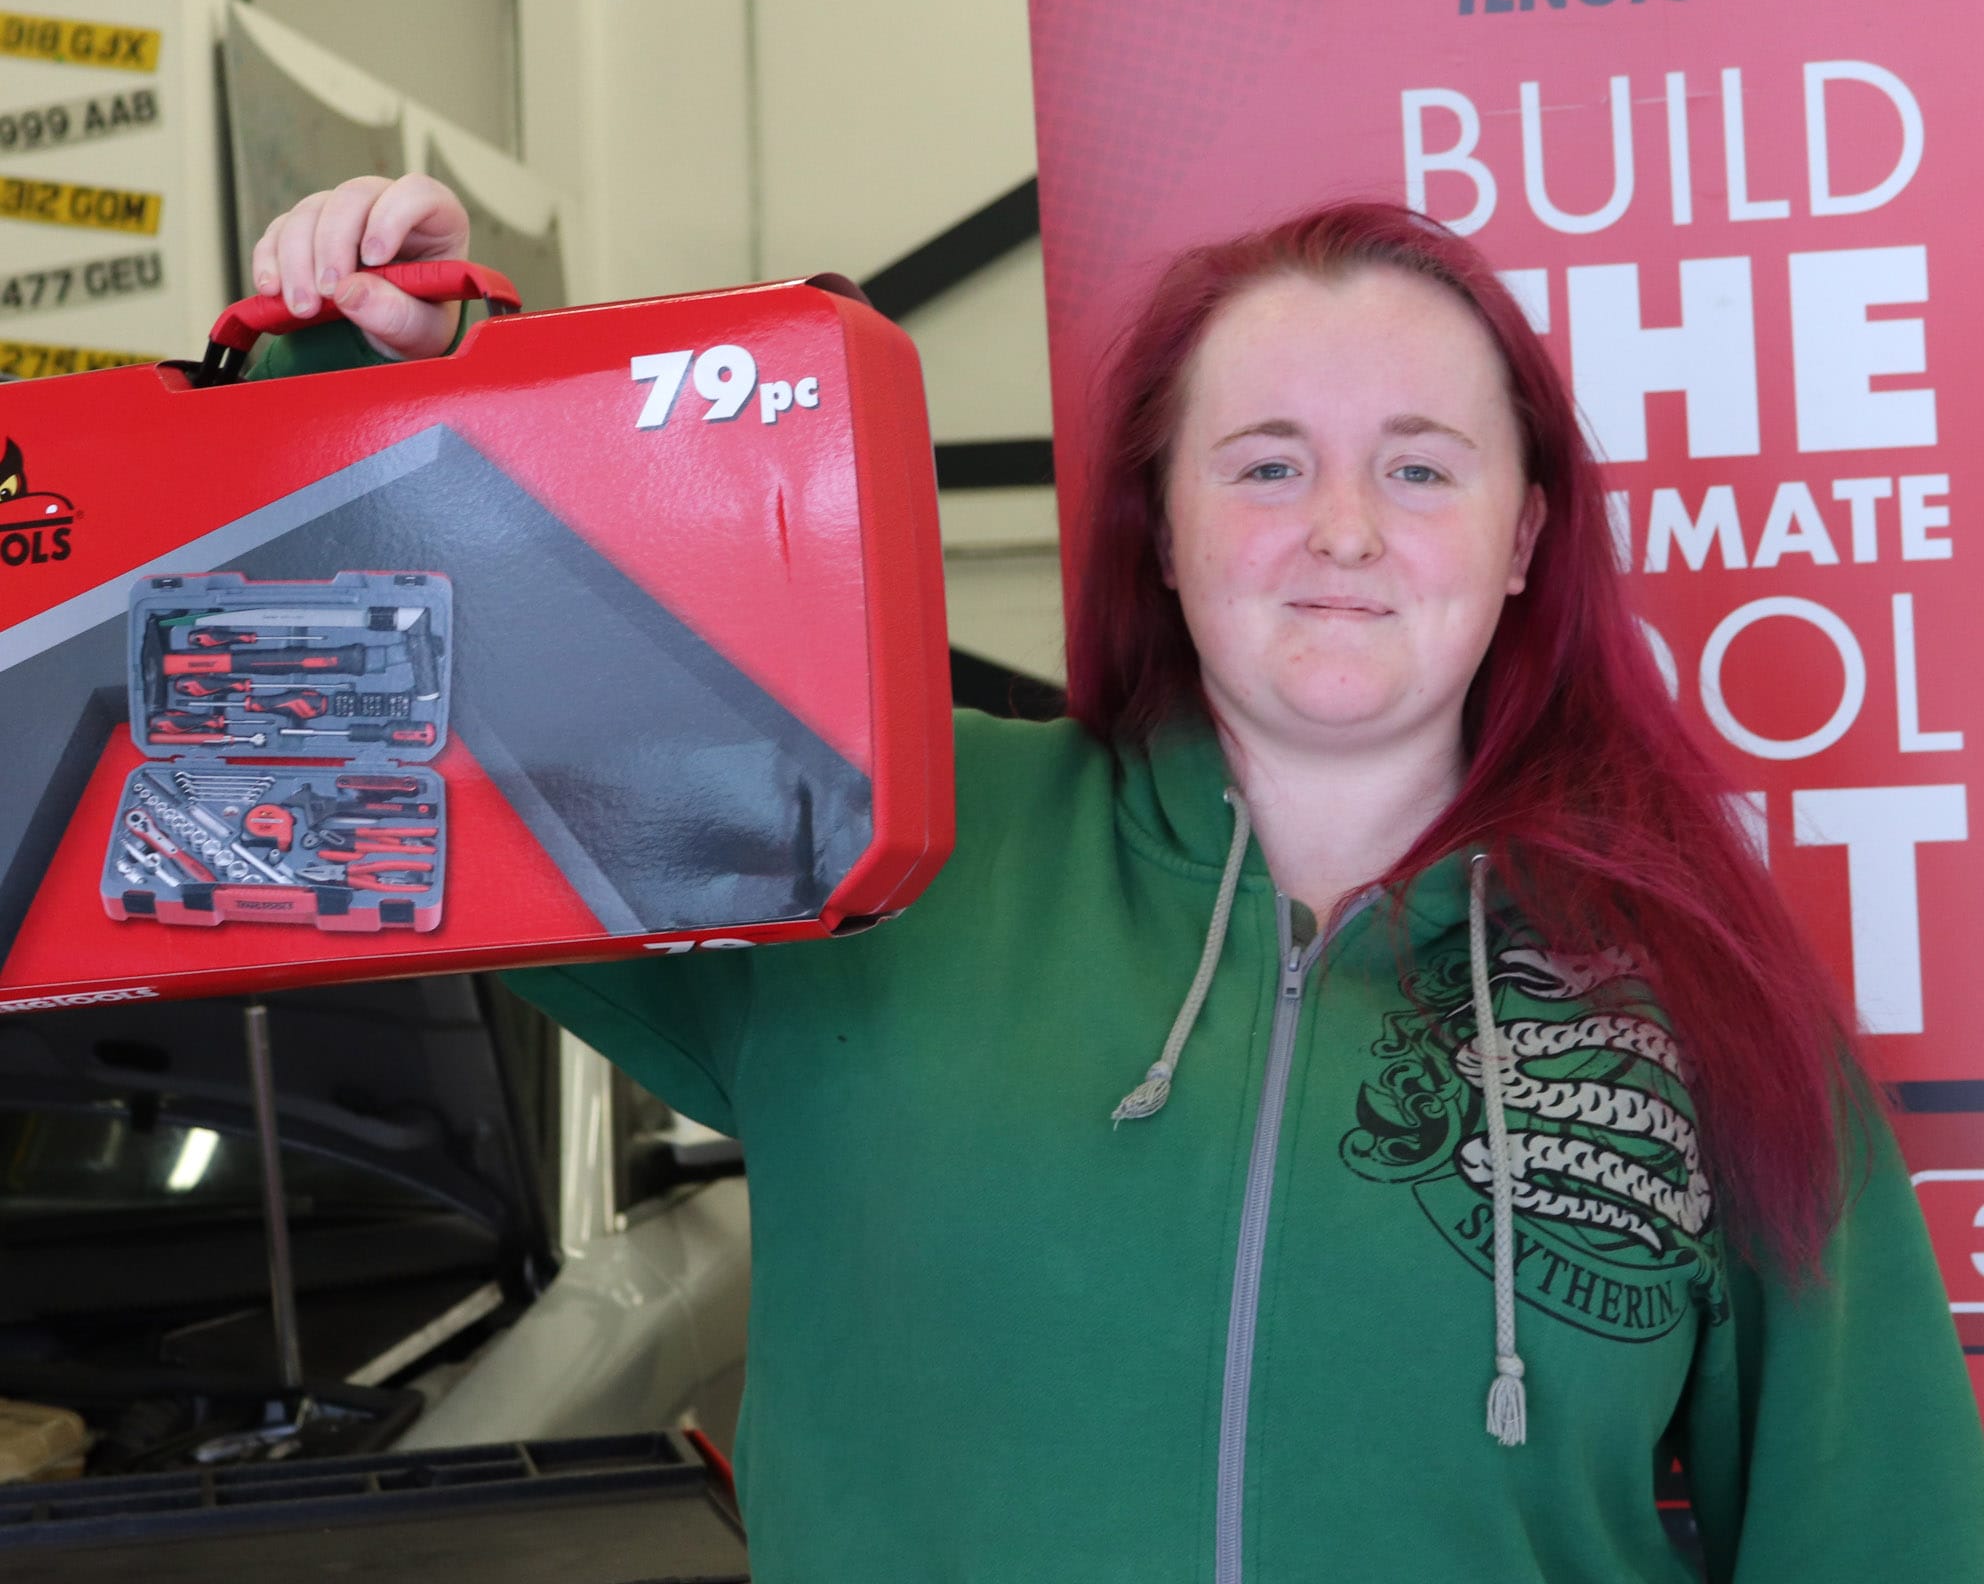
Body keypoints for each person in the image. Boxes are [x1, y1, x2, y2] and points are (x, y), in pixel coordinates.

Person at [252, 179, 1984, 1582]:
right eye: (1268, 465)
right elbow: (419, 707)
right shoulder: (882, 844)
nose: (1348, 530)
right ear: (1159, 521)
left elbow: (1880, 1525)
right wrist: (346, 365)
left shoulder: (1685, 984)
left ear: (1528, 535)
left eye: (1424, 468)